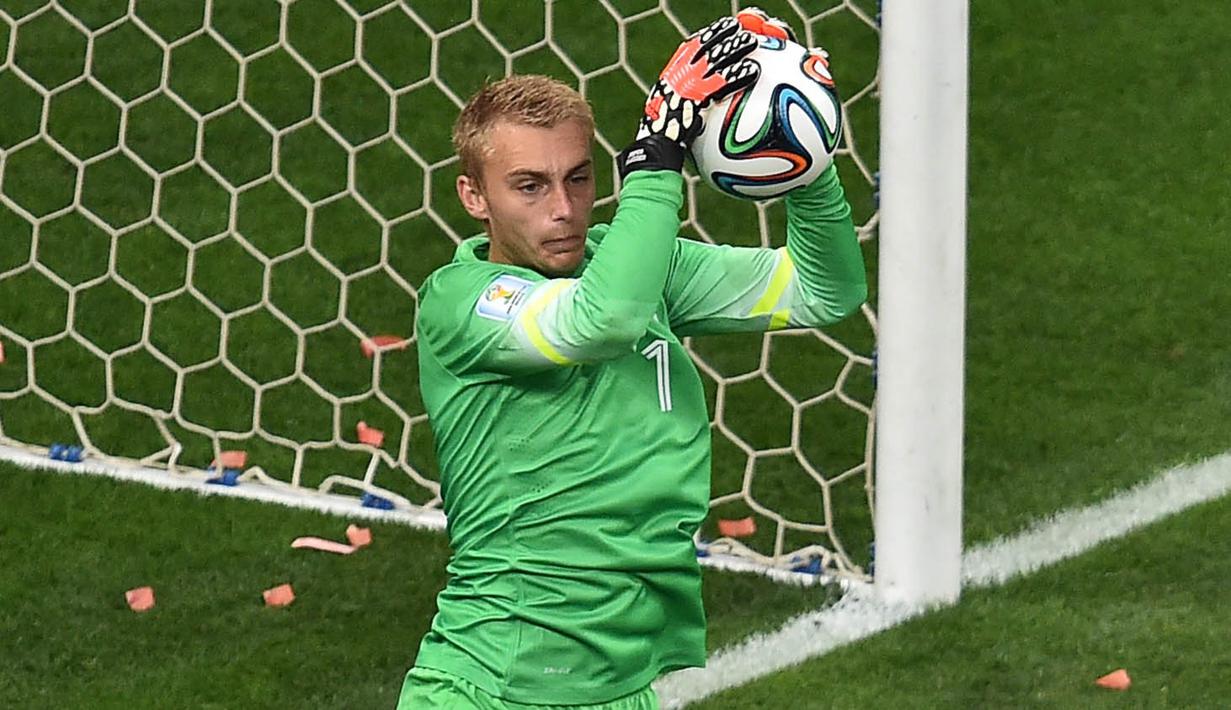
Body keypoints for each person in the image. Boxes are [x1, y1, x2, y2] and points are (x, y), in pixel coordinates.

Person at [399, 9, 867, 710]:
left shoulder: (646, 268)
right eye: (529, 186)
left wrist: (805, 159)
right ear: (475, 197)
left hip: (621, 691)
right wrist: (656, 160)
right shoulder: (460, 303)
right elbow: (603, 319)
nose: (563, 208)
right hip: (489, 685)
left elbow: (824, 291)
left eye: (579, 178)